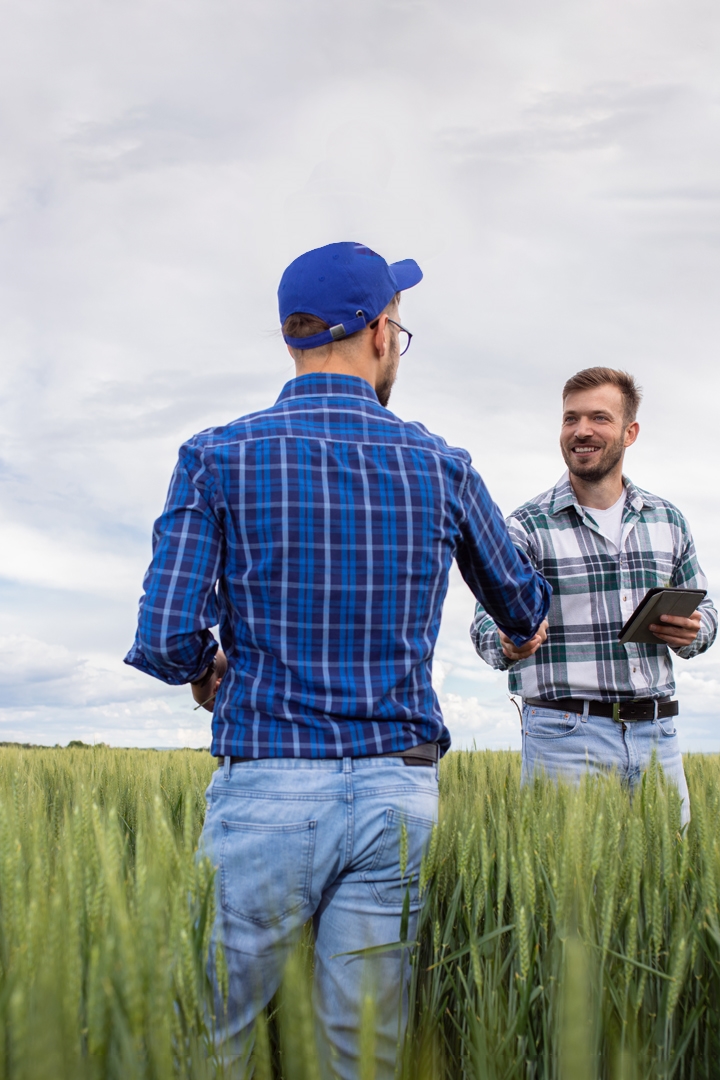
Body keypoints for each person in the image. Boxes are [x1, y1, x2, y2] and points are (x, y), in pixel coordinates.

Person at [124, 242, 552, 1078]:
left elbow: (167, 637)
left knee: (214, 1040)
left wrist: (213, 674)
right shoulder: (442, 464)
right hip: (396, 793)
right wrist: (521, 628)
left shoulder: (215, 456)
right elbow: (524, 607)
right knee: (364, 1052)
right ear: (381, 332)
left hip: (267, 787)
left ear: (293, 337)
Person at [469, 366, 717, 826]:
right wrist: (505, 640)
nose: (581, 431)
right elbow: (486, 618)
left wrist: (693, 631)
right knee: (570, 897)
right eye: (570, 419)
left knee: (663, 892)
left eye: (599, 418)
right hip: (565, 738)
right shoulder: (526, 525)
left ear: (630, 432)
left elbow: (705, 611)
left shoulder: (668, 520)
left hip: (658, 734)